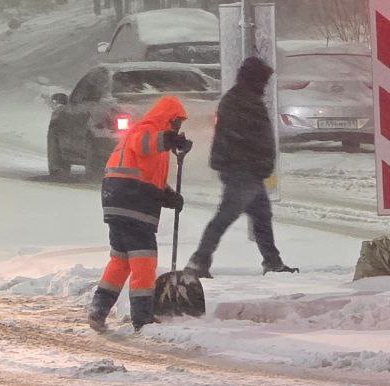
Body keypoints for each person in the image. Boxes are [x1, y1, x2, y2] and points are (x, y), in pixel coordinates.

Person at [87, 95, 191, 333]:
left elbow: (145, 176)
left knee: (120, 261)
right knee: (144, 260)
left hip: (118, 201)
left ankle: (98, 310)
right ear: (168, 118)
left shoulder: (155, 141)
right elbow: (145, 143)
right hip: (132, 203)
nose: (178, 128)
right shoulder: (146, 129)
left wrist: (169, 196)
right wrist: (169, 139)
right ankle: (142, 318)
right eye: (176, 123)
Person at [186, 55, 296, 278]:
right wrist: (256, 162)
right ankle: (199, 261)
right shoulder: (240, 101)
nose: (265, 86)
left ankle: (272, 261)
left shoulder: (242, 99)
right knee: (225, 217)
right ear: (254, 79)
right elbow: (244, 138)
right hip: (243, 171)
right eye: (263, 81)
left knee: (261, 218)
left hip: (248, 171)